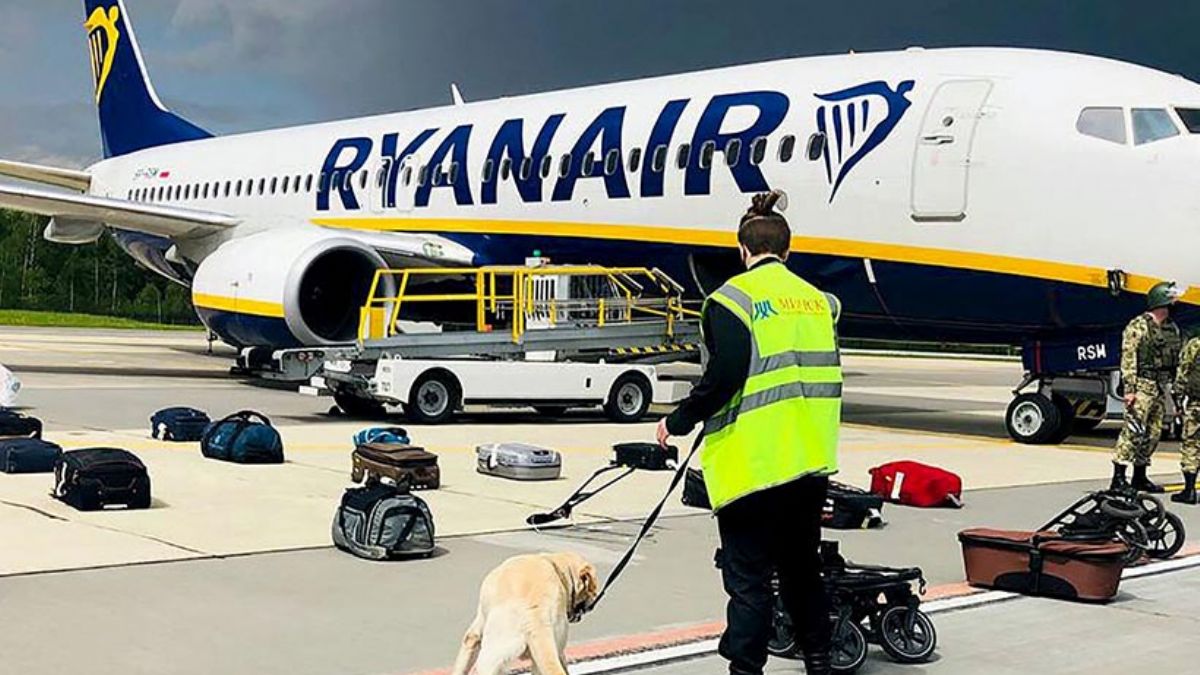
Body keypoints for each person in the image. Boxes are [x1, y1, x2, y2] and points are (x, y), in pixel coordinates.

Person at [657, 190, 842, 675]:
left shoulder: (731, 300)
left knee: (749, 581)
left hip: (752, 466)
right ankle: (819, 660)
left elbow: (725, 375)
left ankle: (745, 669)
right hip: (808, 460)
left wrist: (677, 420)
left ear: (742, 250)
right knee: (803, 569)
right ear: (788, 250)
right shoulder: (819, 304)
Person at [1112, 281, 1183, 493]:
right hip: (1142, 386)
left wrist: (1176, 394)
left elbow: (1175, 361)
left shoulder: (1171, 328)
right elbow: (1128, 358)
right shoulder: (1138, 326)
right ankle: (1118, 478)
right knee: (1133, 431)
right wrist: (1130, 390)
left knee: (1152, 434)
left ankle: (1140, 476)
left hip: (1159, 387)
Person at [1172, 326, 1200, 504]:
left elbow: (1183, 372)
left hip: (1197, 403)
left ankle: (1189, 490)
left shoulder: (1195, 344)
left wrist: (1177, 398)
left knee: (1191, 444)